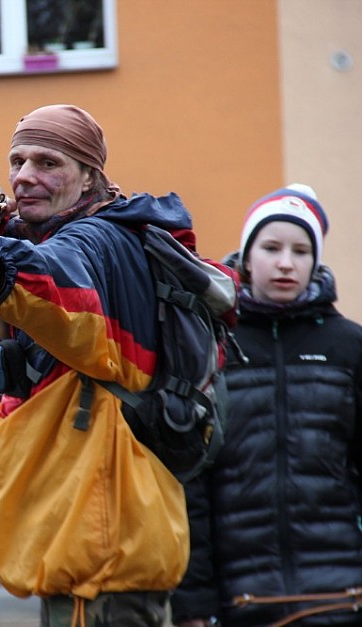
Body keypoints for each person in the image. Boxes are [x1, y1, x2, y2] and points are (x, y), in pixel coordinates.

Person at [0, 104, 224, 626]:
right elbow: (29, 254)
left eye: (48, 163)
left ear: (90, 175)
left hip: (102, 571)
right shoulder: (94, 232)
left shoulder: (99, 242)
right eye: (17, 160)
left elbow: (64, 288)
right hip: (100, 561)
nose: (24, 176)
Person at [171, 185, 362, 627]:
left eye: (300, 250)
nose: (285, 263)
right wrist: (193, 604)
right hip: (242, 599)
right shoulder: (212, 342)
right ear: (247, 253)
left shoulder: (349, 347)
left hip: (342, 595)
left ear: (315, 261)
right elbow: (191, 483)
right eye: (271, 247)